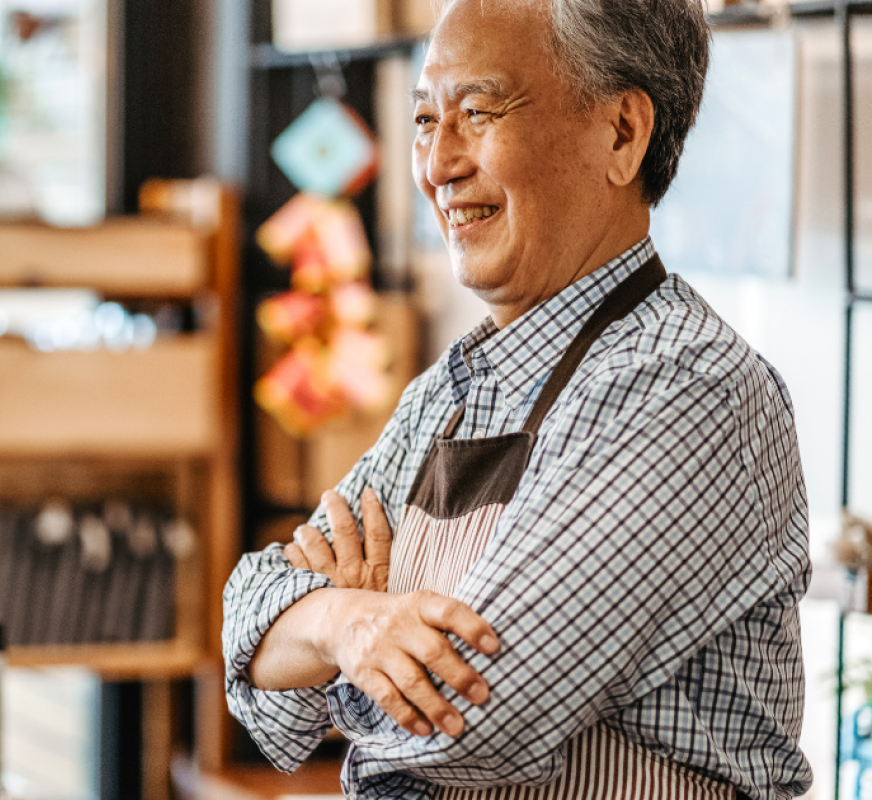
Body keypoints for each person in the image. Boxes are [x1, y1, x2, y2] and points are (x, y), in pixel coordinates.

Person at [221, 0, 813, 798]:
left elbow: (476, 712)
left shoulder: (693, 392)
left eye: (477, 112)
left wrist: (327, 647)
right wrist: (348, 623)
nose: (437, 164)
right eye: (427, 119)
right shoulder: (448, 394)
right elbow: (260, 687)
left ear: (621, 134)